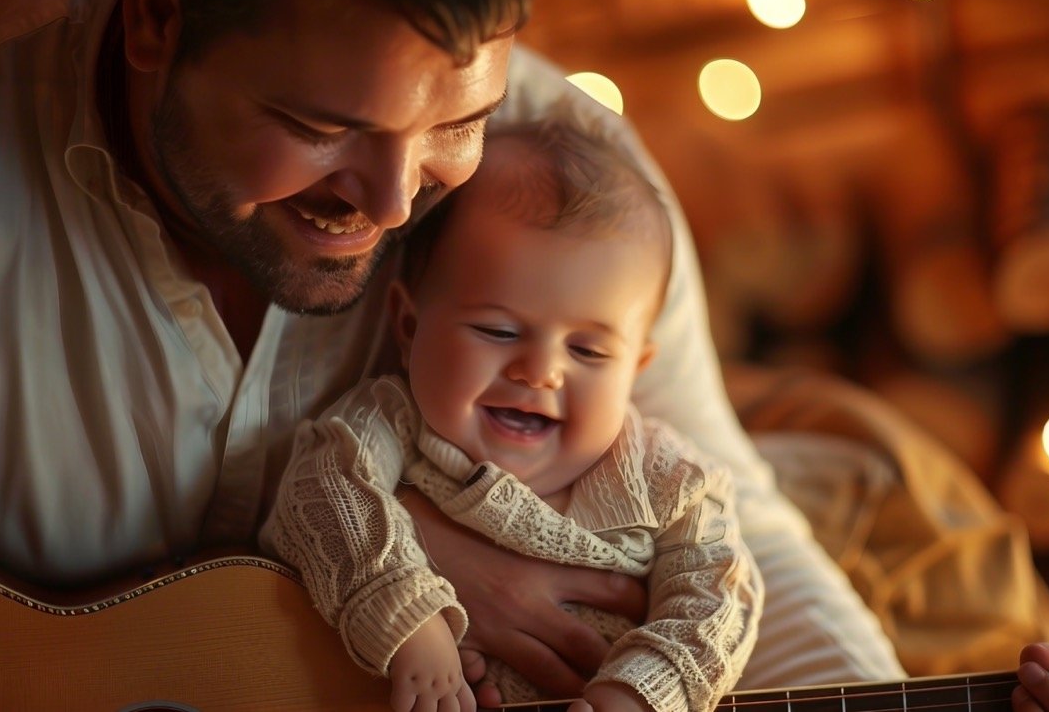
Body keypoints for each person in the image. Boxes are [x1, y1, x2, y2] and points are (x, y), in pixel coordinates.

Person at [0, 0, 1049, 710]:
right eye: (317, 130)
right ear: (154, 19)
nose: (393, 198)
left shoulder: (562, 170)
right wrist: (387, 557)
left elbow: (738, 539)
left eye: (452, 123)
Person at [260, 111, 761, 712]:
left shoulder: (671, 481)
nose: (540, 371)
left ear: (635, 369)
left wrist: (639, 693)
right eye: (498, 331)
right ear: (409, 325)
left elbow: (720, 601)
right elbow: (318, 493)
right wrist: (413, 624)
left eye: (587, 349)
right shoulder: (395, 423)